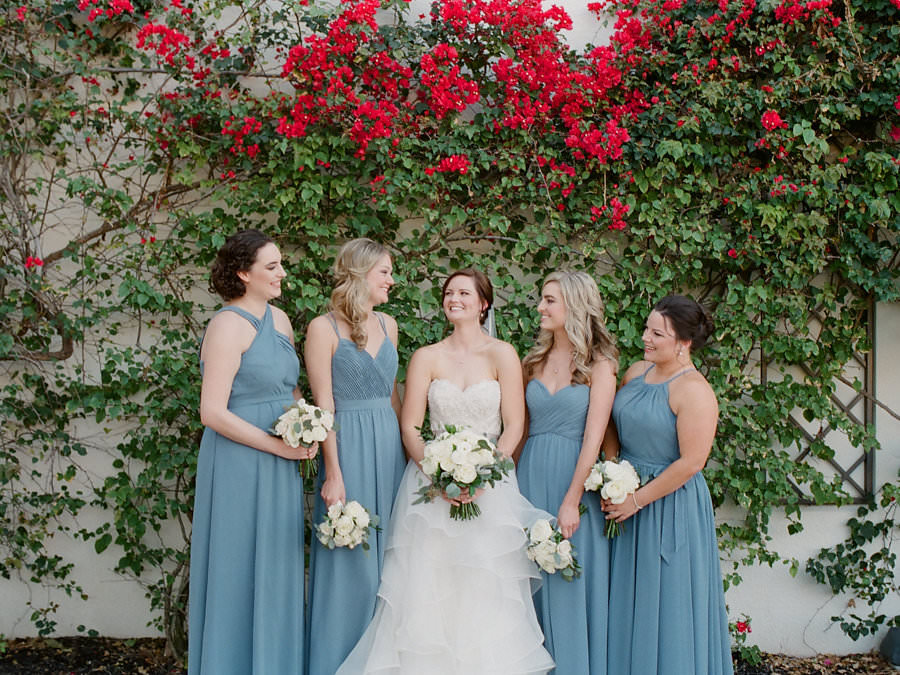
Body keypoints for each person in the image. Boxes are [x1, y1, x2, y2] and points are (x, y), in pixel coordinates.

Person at [337, 268, 554, 675]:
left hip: (491, 488)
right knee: (429, 586)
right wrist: (439, 474)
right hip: (432, 488)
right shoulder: (426, 357)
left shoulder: (503, 354)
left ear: (483, 303)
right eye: (449, 292)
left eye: (464, 293)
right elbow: (409, 425)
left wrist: (484, 474)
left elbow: (515, 426)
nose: (455, 298)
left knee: (485, 583)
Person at [189, 229, 314, 675]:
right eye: (272, 266)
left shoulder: (280, 321)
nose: (282, 273)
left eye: (281, 264)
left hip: (282, 460)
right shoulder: (226, 325)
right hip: (240, 463)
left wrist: (306, 424)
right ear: (244, 274)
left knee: (277, 564)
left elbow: (288, 386)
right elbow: (211, 412)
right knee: (237, 566)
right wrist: (277, 448)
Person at [603, 295, 734, 675]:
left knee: (667, 604)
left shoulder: (693, 390)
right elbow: (612, 422)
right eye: (647, 328)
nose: (646, 337)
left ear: (684, 342)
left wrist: (637, 500)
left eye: (657, 333)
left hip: (667, 503)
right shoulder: (635, 372)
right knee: (628, 600)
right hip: (623, 495)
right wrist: (612, 471)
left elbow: (692, 462)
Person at [305, 238, 407, 674]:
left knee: (392, 563)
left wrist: (411, 455)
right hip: (346, 447)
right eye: (384, 272)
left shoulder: (389, 324)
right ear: (362, 274)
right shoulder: (321, 328)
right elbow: (323, 404)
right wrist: (333, 472)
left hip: (389, 448)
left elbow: (395, 396)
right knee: (350, 562)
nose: (391, 280)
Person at [517, 270, 617, 675]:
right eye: (543, 299)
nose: (540, 307)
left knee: (568, 579)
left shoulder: (600, 365)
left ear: (574, 305)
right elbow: (520, 432)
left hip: (573, 482)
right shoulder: (533, 361)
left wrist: (572, 500)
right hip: (529, 475)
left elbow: (594, 438)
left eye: (549, 300)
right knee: (526, 580)